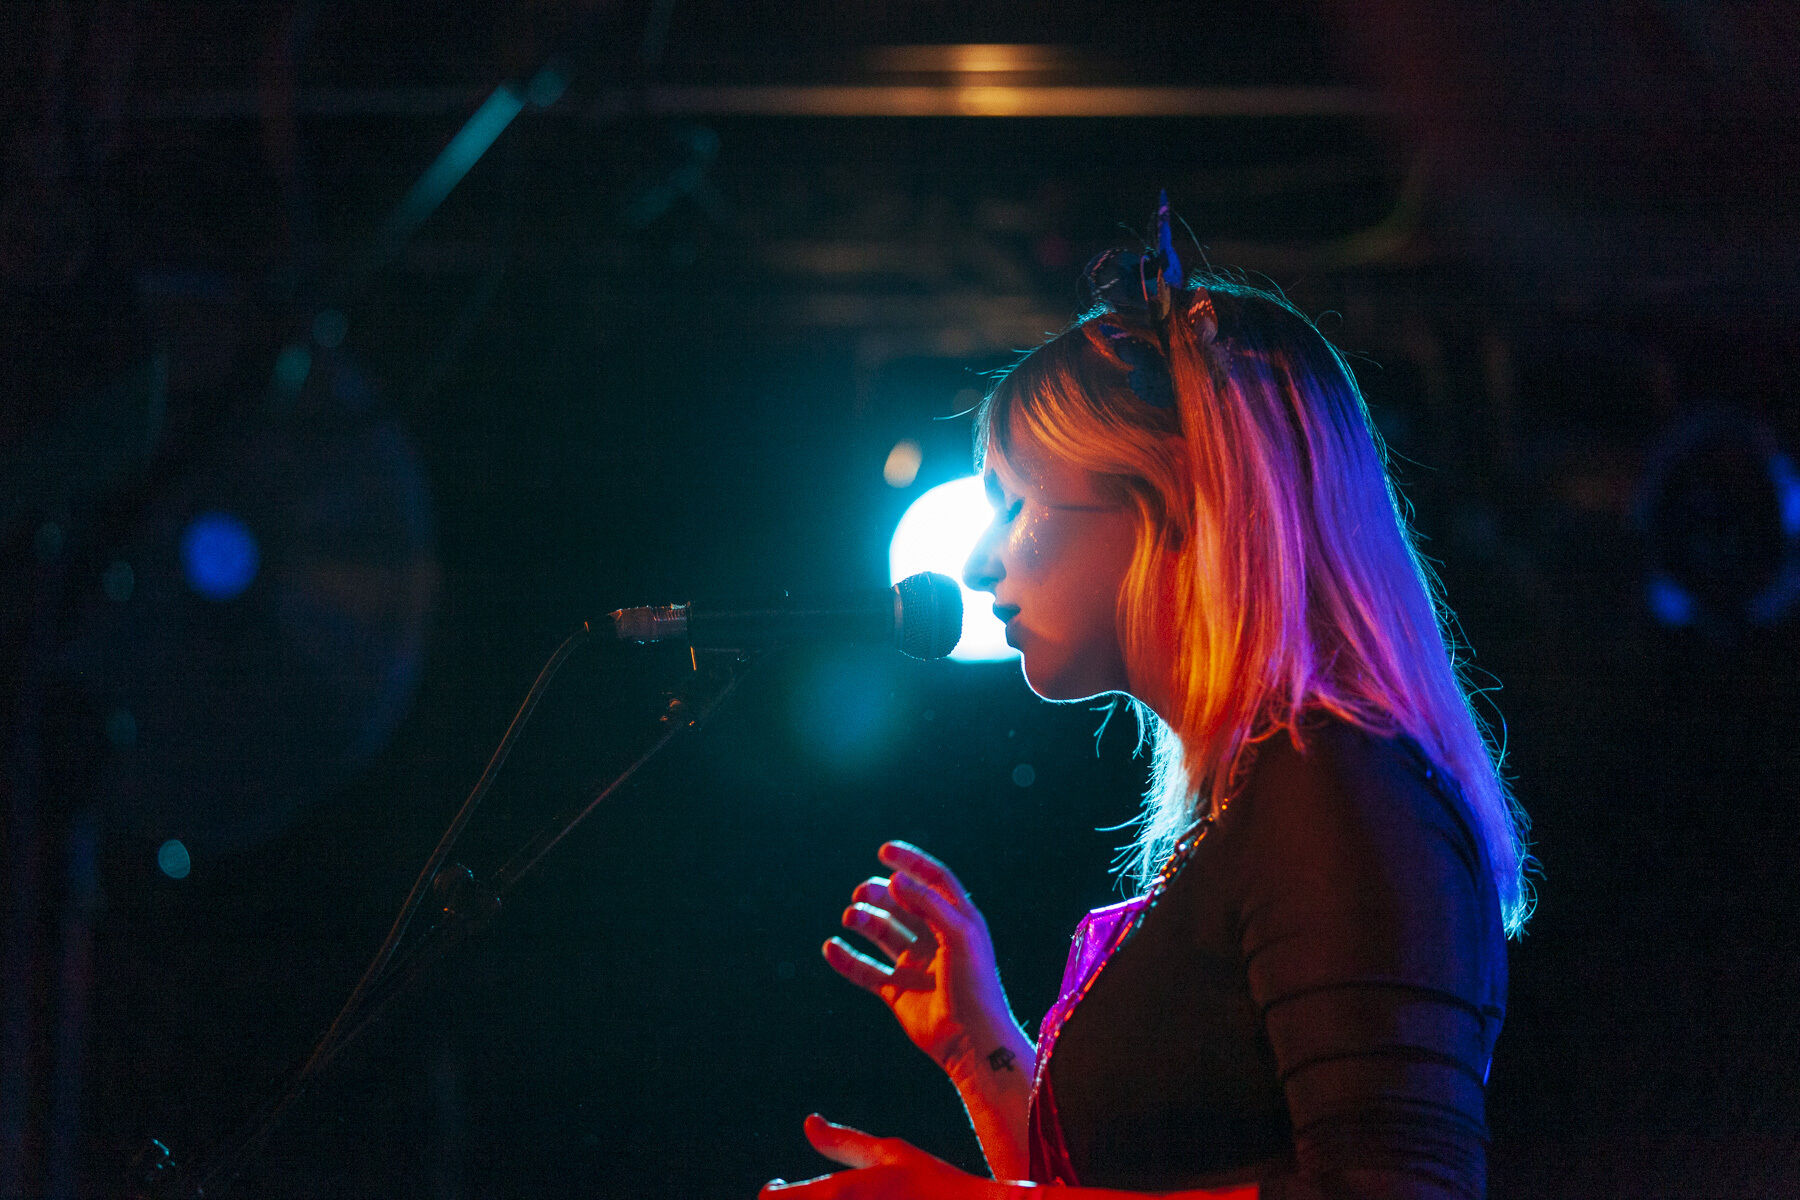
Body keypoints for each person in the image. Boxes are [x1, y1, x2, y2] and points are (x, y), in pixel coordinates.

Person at [761, 203, 1531, 1199]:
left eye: (1014, 501)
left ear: (1173, 505)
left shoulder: (1340, 793)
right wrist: (981, 1049)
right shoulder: (1271, 795)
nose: (982, 558)